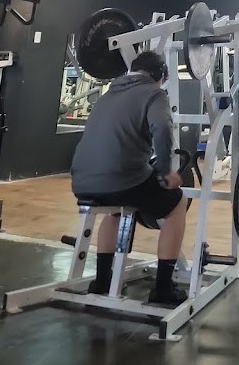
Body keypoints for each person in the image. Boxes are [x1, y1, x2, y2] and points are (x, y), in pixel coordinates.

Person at [71, 49, 187, 306]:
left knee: (114, 210)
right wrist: (166, 171)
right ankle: (163, 289)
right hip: (122, 180)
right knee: (176, 202)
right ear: (159, 75)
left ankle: (102, 281)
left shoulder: (107, 95)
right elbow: (162, 128)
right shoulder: (155, 93)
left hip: (81, 181)